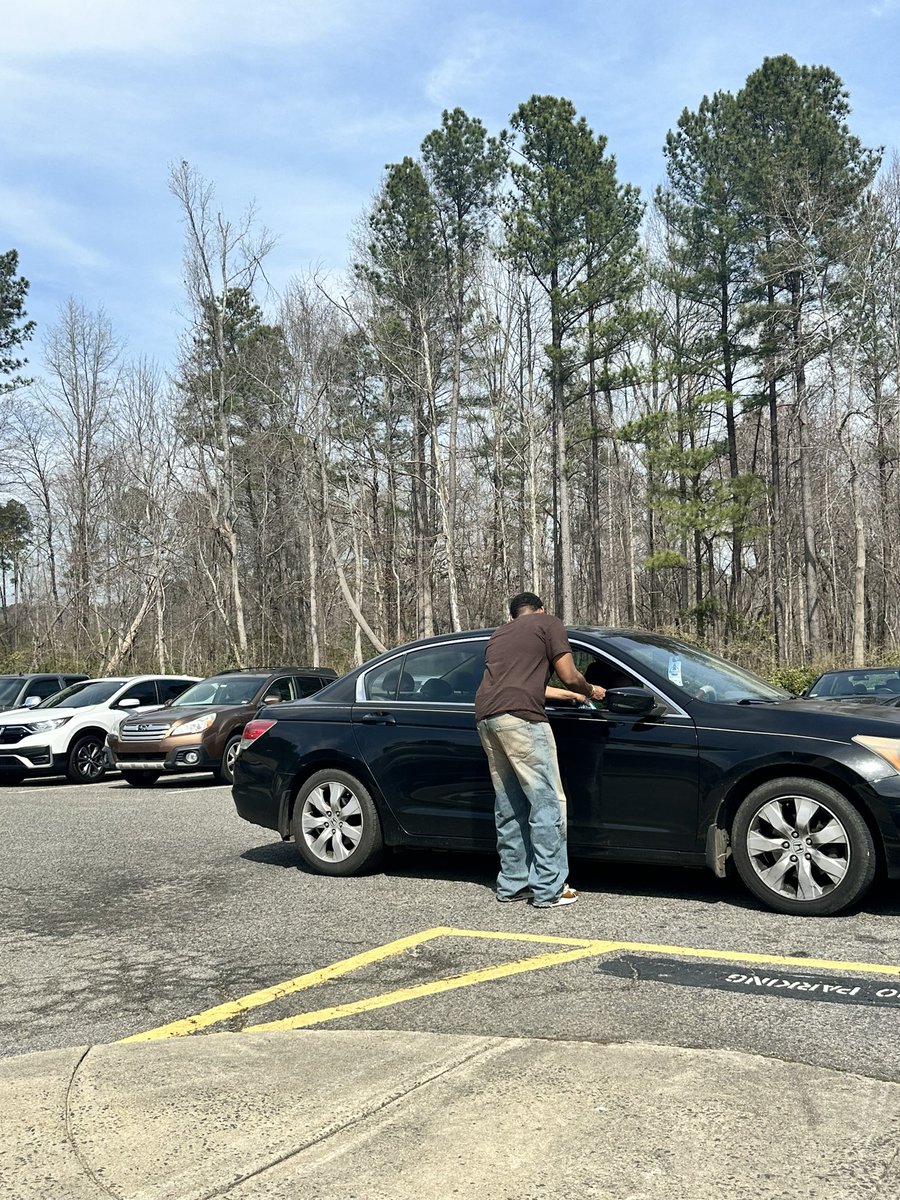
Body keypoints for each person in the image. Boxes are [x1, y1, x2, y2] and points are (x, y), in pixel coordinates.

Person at [474, 591, 605, 908]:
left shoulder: (499, 634)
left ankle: (512, 884)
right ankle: (550, 888)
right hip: (523, 720)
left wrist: (570, 698)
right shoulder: (549, 623)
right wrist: (589, 690)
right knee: (547, 803)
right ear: (541, 609)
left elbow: (526, 684)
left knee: (509, 805)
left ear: (513, 615)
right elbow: (569, 675)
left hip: (487, 718)